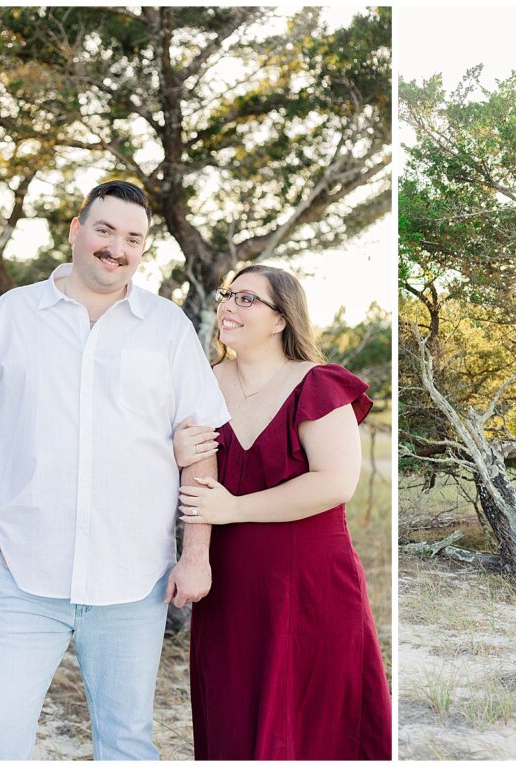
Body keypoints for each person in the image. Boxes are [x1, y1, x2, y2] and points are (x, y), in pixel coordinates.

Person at [0, 181, 229, 760]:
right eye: (105, 230)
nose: (116, 248)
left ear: (143, 249)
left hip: (133, 578)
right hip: (23, 570)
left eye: (133, 239)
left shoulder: (166, 328)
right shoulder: (11, 315)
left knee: (126, 739)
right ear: (76, 229)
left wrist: (196, 554)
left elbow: (200, 447)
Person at [171, 264, 392, 760]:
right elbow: (182, 475)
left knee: (314, 720)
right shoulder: (203, 384)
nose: (228, 306)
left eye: (247, 299)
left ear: (280, 319)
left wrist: (235, 507)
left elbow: (335, 482)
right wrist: (175, 451)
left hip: (312, 580)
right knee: (234, 710)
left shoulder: (317, 384)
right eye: (228, 296)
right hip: (229, 581)